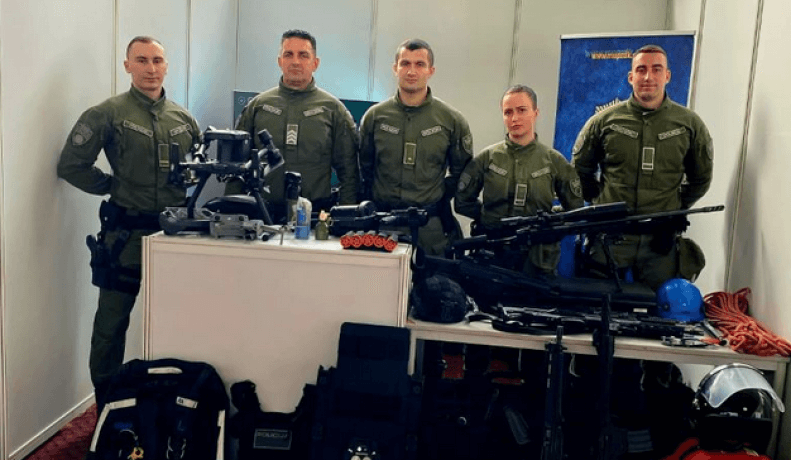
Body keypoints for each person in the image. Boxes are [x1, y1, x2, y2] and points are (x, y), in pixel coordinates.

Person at [57, 36, 201, 405]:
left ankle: (174, 403)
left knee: (182, 322)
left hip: (174, 238)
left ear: (166, 66)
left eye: (157, 60)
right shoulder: (107, 113)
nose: (151, 69)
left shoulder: (184, 120)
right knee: (111, 325)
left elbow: (200, 171)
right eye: (142, 60)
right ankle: (107, 404)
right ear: (127, 66)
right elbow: (71, 165)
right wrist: (113, 186)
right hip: (125, 238)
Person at [572, 44, 713, 290]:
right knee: (596, 304)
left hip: (659, 244)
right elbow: (579, 171)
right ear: (631, 77)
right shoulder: (604, 121)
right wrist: (601, 202)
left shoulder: (690, 125)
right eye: (641, 70)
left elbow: (700, 179)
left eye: (656, 69)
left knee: (659, 307)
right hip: (610, 240)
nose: (648, 77)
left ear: (667, 75)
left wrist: (674, 207)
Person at [359, 38, 473, 256]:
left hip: (430, 230)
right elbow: (364, 168)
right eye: (405, 63)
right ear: (395, 68)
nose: (412, 71)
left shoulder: (451, 121)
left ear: (431, 70)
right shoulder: (375, 117)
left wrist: (437, 196)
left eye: (420, 64)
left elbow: (463, 174)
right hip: (383, 227)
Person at [231, 29, 359, 222]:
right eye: (288, 54)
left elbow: (349, 172)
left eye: (303, 55)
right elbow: (236, 167)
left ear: (315, 63)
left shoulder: (333, 110)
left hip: (315, 217)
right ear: (280, 61)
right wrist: (232, 214)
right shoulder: (258, 106)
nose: (296, 61)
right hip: (260, 216)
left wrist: (346, 221)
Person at [456, 85, 583, 275]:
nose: (514, 118)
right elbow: (462, 202)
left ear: (535, 113)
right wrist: (490, 218)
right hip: (494, 255)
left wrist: (548, 221)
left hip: (537, 261)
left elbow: (575, 210)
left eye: (522, 110)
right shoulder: (487, 158)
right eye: (508, 112)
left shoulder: (554, 162)